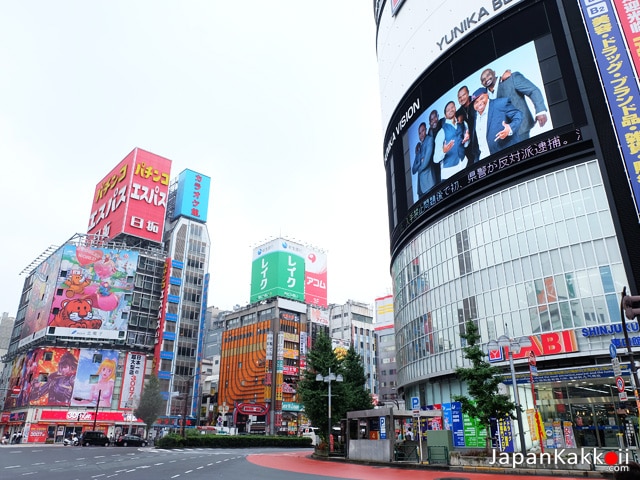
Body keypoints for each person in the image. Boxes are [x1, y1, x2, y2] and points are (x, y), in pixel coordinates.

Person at [480, 67, 548, 140]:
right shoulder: (483, 96)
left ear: (494, 73)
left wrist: (540, 111)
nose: (486, 79)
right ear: (482, 84)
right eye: (483, 80)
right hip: (501, 137)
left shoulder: (511, 79)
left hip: (520, 130)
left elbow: (532, 91)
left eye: (488, 75)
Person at [471, 87, 523, 160]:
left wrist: (510, 128)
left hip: (506, 156)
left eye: (482, 98)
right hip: (485, 161)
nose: (479, 103)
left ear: (487, 95)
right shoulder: (475, 115)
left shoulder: (500, 104)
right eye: (476, 102)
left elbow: (518, 115)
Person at [433, 100, 470, 180]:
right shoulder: (441, 132)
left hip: (464, 164)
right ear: (445, 115)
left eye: (452, 107)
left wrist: (467, 138)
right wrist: (444, 151)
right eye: (448, 110)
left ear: (455, 108)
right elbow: (435, 159)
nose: (450, 110)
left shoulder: (463, 124)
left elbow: (466, 145)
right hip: (449, 172)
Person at [411, 110, 440, 198]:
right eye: (419, 133)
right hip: (420, 189)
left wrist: (419, 164)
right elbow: (413, 170)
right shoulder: (419, 148)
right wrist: (420, 161)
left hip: (429, 184)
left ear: (426, 130)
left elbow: (426, 162)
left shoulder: (429, 140)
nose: (421, 134)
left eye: (423, 131)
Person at [456, 85, 480, 164]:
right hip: (469, 148)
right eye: (459, 97)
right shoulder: (458, 113)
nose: (462, 98)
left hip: (481, 137)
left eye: (464, 95)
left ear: (468, 93)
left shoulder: (476, 101)